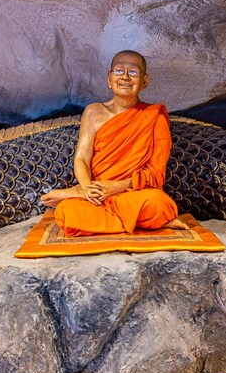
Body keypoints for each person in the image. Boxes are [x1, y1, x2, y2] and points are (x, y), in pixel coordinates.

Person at [40, 50, 188, 236]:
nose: (125, 77)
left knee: (159, 204)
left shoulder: (154, 117)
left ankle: (82, 198)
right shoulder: (94, 112)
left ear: (144, 82)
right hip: (97, 194)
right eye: (119, 71)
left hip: (131, 193)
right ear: (109, 79)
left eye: (133, 72)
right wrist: (86, 188)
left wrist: (118, 186)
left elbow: (156, 175)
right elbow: (82, 159)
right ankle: (139, 221)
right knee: (66, 212)